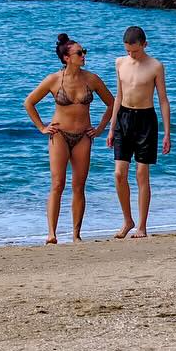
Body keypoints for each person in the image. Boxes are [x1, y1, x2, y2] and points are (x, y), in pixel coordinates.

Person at [24, 33, 115, 244]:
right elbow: (29, 102)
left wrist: (101, 127)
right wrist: (41, 127)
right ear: (67, 57)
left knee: (79, 186)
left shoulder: (91, 78)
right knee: (57, 184)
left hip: (83, 136)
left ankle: (76, 234)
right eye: (79, 53)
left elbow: (112, 103)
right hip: (60, 135)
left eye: (84, 52)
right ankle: (52, 234)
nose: (84, 56)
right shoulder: (54, 79)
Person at [108, 25, 171, 238]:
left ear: (145, 44)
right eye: (128, 51)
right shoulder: (120, 63)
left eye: (135, 51)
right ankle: (127, 220)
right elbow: (118, 95)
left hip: (146, 120)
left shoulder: (155, 66)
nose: (131, 55)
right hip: (123, 118)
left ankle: (142, 226)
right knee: (119, 174)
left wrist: (167, 133)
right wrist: (111, 126)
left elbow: (163, 100)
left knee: (142, 174)